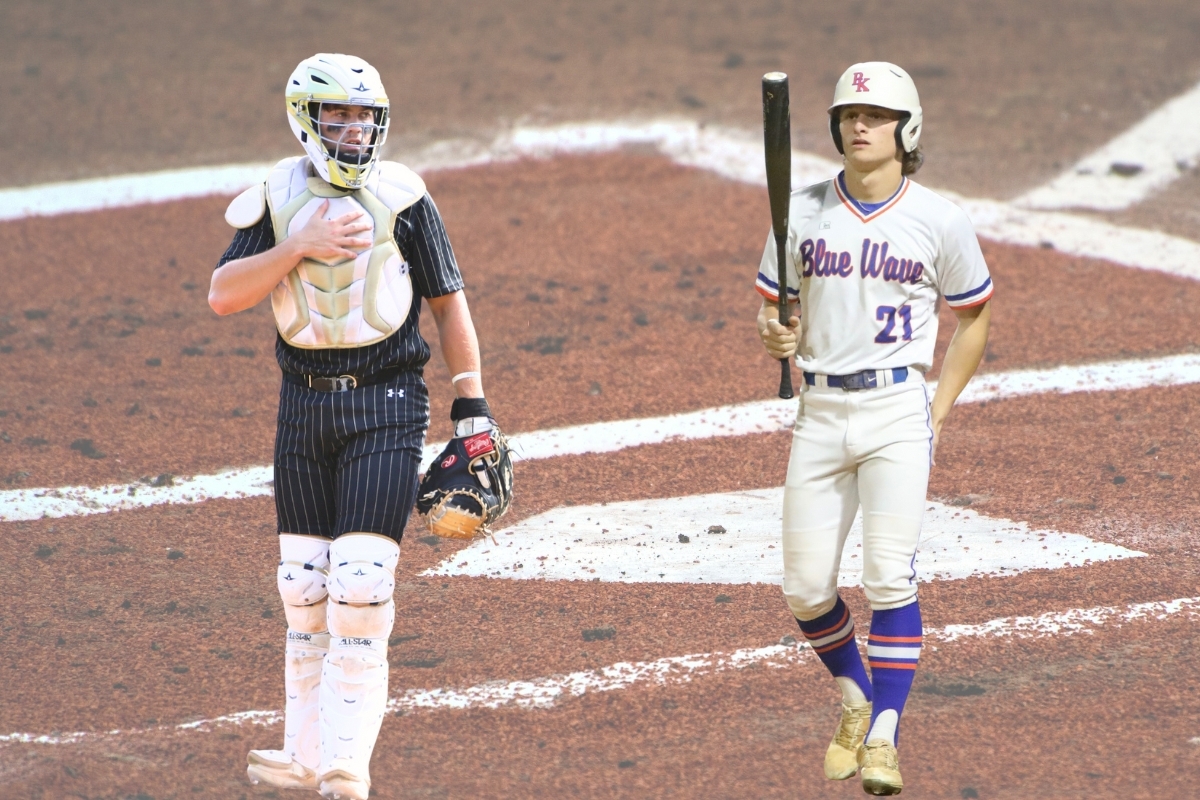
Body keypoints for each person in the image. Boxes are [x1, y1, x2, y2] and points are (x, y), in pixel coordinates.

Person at [209, 53, 498, 800]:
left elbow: (449, 302)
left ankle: (347, 765)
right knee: (302, 587)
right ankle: (303, 754)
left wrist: (471, 404)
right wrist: (297, 246)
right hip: (302, 408)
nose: (354, 132)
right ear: (307, 121)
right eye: (338, 117)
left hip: (385, 404)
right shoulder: (275, 197)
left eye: (364, 118)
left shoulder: (403, 198)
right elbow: (223, 295)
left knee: (361, 584)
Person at [755, 62, 992, 796]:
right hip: (820, 411)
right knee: (804, 589)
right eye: (849, 115)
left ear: (907, 129)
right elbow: (776, 308)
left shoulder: (940, 219)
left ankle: (885, 734)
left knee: (888, 576)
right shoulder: (800, 211)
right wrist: (775, 332)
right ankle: (856, 699)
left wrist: (939, 408)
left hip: (896, 411)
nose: (860, 126)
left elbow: (974, 316)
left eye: (877, 116)